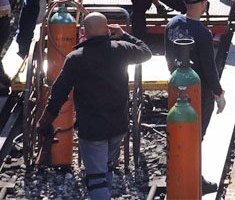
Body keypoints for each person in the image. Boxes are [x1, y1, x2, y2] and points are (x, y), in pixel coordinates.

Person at [36, 13, 151, 200]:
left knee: (96, 176)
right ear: (107, 30)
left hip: (92, 128)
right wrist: (123, 34)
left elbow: (59, 93)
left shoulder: (76, 58)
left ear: (83, 32)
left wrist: (45, 120)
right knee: (107, 167)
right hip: (118, 126)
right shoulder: (121, 49)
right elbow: (145, 52)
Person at [165, 0, 225, 193]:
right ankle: (193, 179)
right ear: (203, 4)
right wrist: (218, 92)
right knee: (195, 135)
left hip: (176, 85)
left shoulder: (172, 24)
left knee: (178, 131)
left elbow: (168, 58)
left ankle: (176, 173)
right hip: (198, 92)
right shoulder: (202, 33)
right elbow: (209, 68)